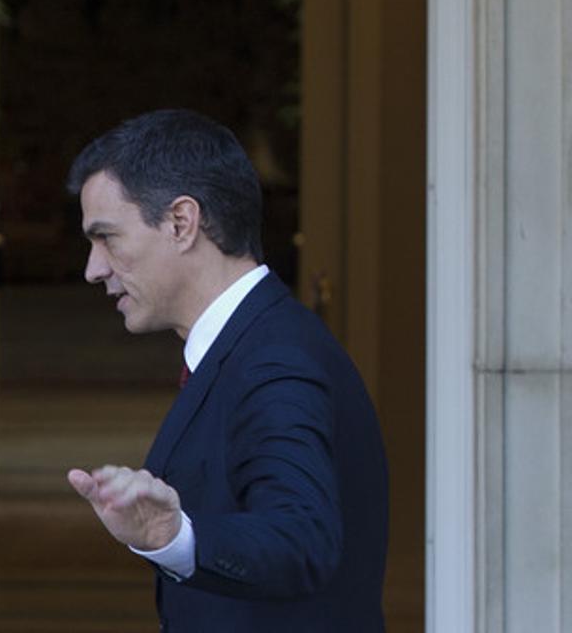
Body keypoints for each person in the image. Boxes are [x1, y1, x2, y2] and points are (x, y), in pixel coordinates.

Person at [65, 110, 388, 632]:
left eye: (107, 238)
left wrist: (179, 538)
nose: (93, 268)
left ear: (181, 223)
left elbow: (301, 538)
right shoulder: (254, 343)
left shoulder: (273, 360)